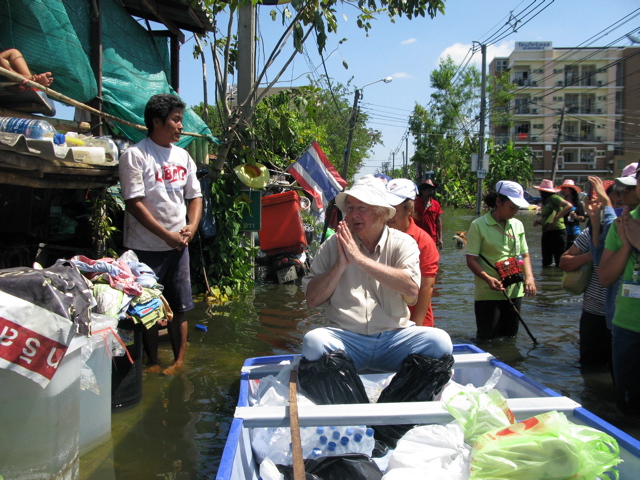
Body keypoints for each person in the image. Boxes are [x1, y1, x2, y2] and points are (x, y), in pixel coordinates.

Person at [301, 175, 452, 372]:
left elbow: (412, 289)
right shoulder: (333, 245)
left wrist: (360, 260)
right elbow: (312, 299)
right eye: (350, 208)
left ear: (382, 213)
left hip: (394, 338)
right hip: (347, 339)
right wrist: (340, 265)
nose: (354, 214)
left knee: (440, 342)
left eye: (362, 208)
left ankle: (400, 396)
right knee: (313, 342)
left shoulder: (404, 243)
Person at [119, 93, 203, 376]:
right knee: (148, 308)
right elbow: (134, 203)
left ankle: (178, 363)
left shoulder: (183, 156)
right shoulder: (135, 155)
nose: (181, 126)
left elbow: (195, 197)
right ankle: (153, 362)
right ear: (157, 121)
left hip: (178, 246)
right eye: (176, 120)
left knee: (180, 306)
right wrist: (166, 235)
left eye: (181, 120)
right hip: (143, 247)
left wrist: (191, 226)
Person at [559, 177, 624, 368]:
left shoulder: (631, 232)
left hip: (623, 317)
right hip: (594, 312)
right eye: (612, 203)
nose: (617, 208)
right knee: (591, 368)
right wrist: (592, 255)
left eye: (620, 204)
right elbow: (564, 262)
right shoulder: (594, 232)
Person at [466, 181, 537, 340]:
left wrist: (530, 278)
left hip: (514, 289)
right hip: (488, 292)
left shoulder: (517, 225)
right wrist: (488, 279)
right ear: (498, 202)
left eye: (518, 208)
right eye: (512, 207)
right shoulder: (478, 225)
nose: (515, 212)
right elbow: (471, 259)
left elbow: (524, 255)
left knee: (510, 337)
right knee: (487, 339)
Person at [599, 164, 640, 416]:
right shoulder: (622, 223)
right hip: (626, 326)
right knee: (628, 407)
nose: (623, 193)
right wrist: (626, 245)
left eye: (628, 188)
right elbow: (604, 277)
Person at [386, 178, 439, 327]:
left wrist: (417, 327)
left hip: (415, 320)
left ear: (409, 209)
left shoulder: (424, 242)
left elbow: (426, 287)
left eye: (395, 210)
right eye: (386, 209)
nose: (389, 215)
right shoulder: (377, 235)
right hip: (385, 321)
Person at [533, 179, 573, 267]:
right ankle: (548, 279)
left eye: (541, 190)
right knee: (546, 262)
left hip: (558, 232)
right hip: (547, 231)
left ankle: (558, 279)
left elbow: (568, 206)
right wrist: (539, 222)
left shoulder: (554, 198)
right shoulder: (546, 201)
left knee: (559, 261)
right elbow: (547, 217)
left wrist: (556, 218)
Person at [414, 179, 443, 249]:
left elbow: (438, 221)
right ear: (423, 191)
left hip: (432, 238)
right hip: (417, 237)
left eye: (432, 190)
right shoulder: (415, 203)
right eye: (428, 190)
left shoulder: (436, 204)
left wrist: (440, 238)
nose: (431, 192)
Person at [559, 179, 586, 248]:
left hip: (575, 232)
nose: (563, 190)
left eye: (565, 188)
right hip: (562, 232)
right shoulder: (560, 202)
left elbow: (583, 218)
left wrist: (576, 217)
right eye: (562, 188)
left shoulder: (577, 203)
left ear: (570, 190)